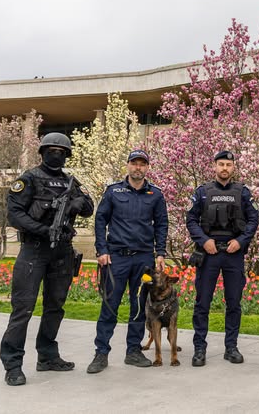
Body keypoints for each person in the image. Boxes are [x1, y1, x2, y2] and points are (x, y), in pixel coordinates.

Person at [0, 133, 94, 386]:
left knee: (55, 307)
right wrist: (42, 229)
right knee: (23, 309)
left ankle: (48, 356)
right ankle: (13, 365)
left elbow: (89, 207)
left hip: (62, 252)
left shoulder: (70, 181)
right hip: (34, 250)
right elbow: (15, 215)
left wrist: (76, 203)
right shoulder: (28, 179)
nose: (57, 155)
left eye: (62, 152)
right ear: (42, 153)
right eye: (52, 150)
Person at [86, 149, 168, 374]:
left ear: (147, 168)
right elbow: (100, 220)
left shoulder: (156, 194)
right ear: (128, 165)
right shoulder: (114, 191)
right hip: (117, 259)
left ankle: (133, 350)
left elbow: (161, 225)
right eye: (134, 163)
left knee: (139, 306)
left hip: (143, 260)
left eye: (142, 164)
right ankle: (101, 353)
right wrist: (101, 250)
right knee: (109, 306)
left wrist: (160, 253)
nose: (138, 167)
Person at [186, 150, 259, 366]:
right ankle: (199, 348)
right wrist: (203, 240)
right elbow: (191, 219)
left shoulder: (243, 192)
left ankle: (231, 347)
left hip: (233, 253)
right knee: (202, 303)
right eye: (221, 164)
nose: (224, 168)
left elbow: (254, 219)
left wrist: (241, 241)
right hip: (209, 253)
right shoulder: (202, 192)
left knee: (234, 303)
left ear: (233, 167)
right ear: (214, 166)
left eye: (228, 164)